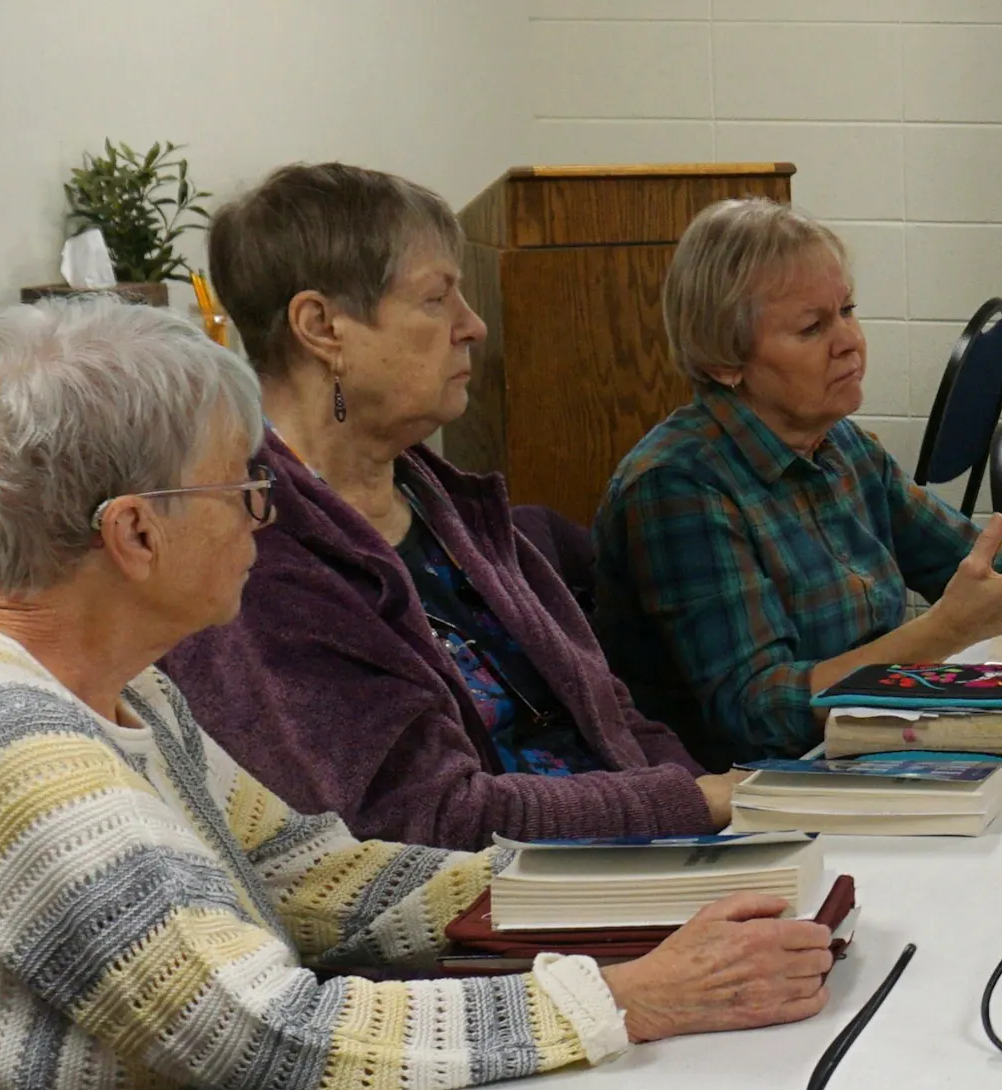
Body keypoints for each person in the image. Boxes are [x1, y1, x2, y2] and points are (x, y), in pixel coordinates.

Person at [0, 302, 842, 1090]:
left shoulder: (123, 689)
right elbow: (272, 1033)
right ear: (135, 532)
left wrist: (625, 898)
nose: (263, 520)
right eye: (240, 491)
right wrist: (629, 998)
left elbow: (312, 870)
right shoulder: (9, 751)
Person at [160, 162, 733, 850]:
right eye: (438, 300)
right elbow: (419, 821)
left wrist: (748, 827)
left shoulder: (444, 501)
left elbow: (615, 716)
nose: (474, 326)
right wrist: (691, 802)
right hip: (487, 925)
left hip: (628, 871)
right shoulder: (254, 549)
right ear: (321, 326)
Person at [595, 198, 1002, 767]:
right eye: (812, 327)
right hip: (765, 791)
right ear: (725, 361)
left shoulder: (840, 444)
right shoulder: (679, 485)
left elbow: (955, 552)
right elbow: (762, 715)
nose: (849, 340)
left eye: (847, 310)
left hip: (869, 739)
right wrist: (942, 633)